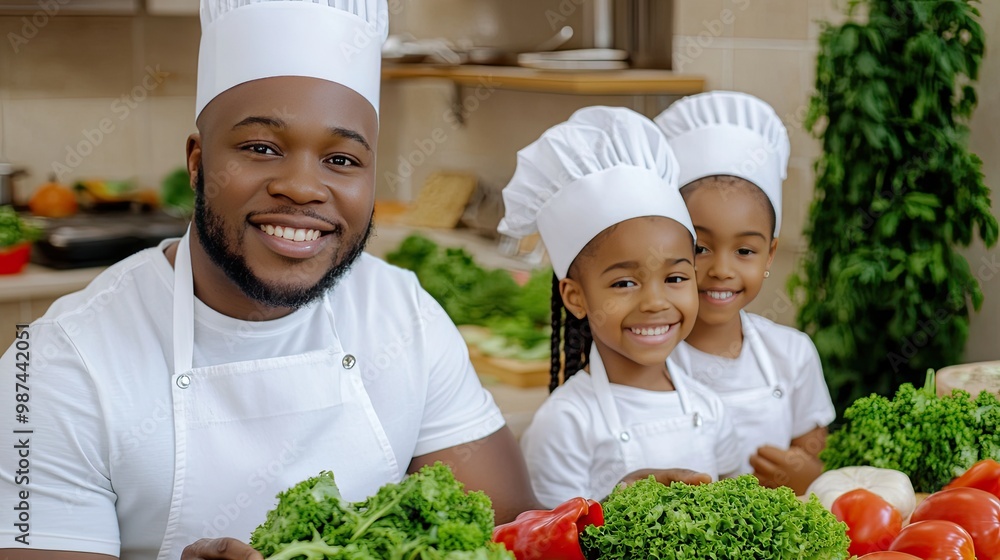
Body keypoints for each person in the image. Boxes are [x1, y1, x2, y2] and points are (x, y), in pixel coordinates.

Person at [0, 1, 542, 558]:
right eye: (261, 148)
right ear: (197, 161)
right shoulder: (58, 365)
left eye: (342, 159)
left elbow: (512, 540)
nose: (303, 187)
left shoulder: (404, 316)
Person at [499, 106, 743, 508]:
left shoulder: (710, 407)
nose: (655, 302)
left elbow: (740, 513)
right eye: (624, 283)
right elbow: (550, 540)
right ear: (576, 297)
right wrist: (616, 506)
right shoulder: (566, 423)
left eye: (676, 278)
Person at [654, 91, 837, 495]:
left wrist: (805, 475)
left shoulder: (792, 354)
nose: (721, 270)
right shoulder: (647, 358)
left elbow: (814, 453)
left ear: (769, 253)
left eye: (745, 251)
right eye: (700, 247)